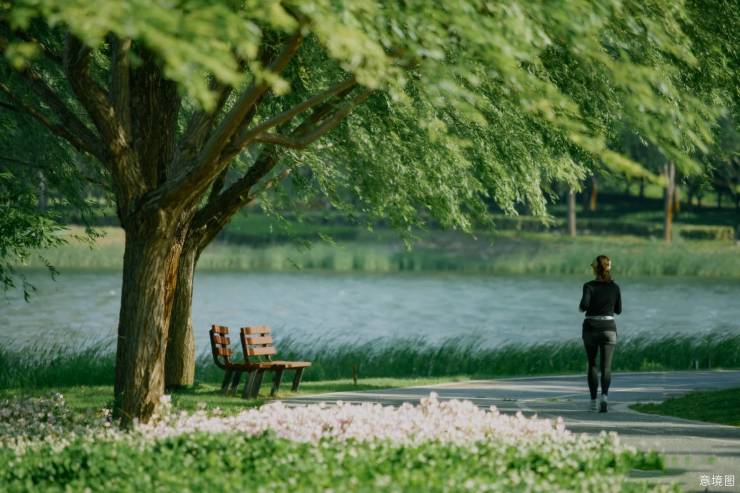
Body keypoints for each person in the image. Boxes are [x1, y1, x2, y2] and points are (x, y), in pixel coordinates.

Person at [579, 254, 621, 413]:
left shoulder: (588, 286)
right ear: (608, 268)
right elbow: (619, 310)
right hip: (609, 328)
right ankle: (604, 397)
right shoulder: (615, 287)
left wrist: (586, 306)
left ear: (595, 269)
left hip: (590, 328)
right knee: (606, 366)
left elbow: (583, 306)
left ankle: (593, 402)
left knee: (592, 364)